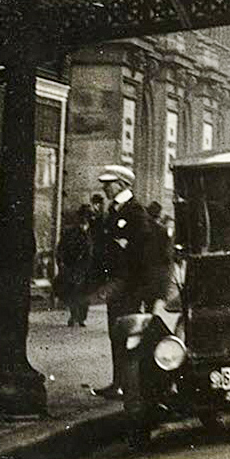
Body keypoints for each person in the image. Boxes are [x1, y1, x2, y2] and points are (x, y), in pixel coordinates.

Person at [91, 165, 159, 399]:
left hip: (128, 285)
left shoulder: (134, 210)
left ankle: (127, 384)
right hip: (117, 282)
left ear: (121, 184)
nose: (105, 188)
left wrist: (124, 248)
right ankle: (119, 381)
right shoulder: (116, 210)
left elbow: (143, 246)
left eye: (109, 184)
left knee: (125, 332)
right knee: (116, 332)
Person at [56, 206, 96, 326]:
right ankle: (74, 316)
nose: (84, 220)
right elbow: (61, 248)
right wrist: (61, 263)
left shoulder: (93, 232)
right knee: (74, 291)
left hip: (88, 267)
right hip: (73, 266)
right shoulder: (70, 232)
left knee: (85, 293)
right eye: (83, 217)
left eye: (87, 217)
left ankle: (82, 317)